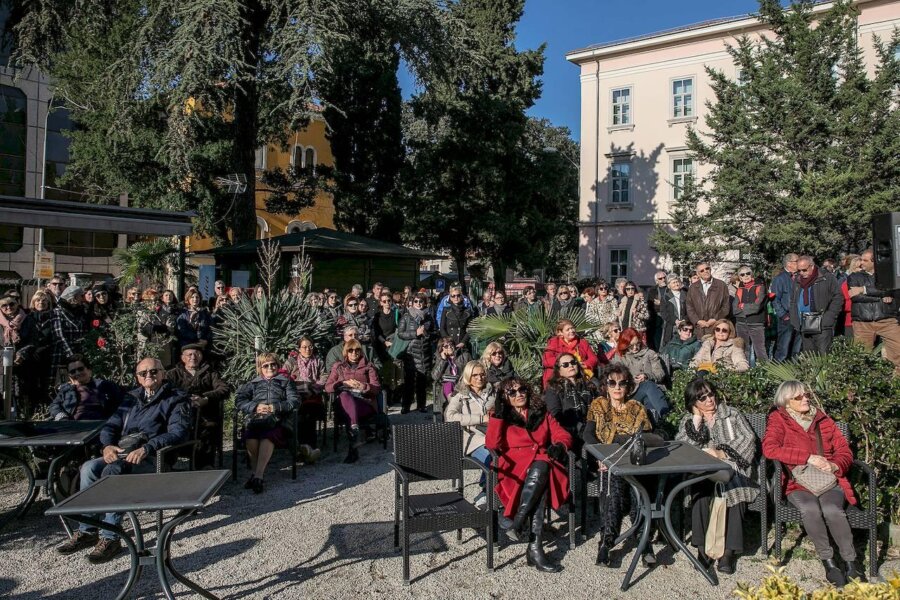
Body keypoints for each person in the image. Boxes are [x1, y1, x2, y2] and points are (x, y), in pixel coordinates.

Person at [56, 358, 190, 562]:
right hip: (124, 451)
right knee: (89, 468)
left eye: (153, 371)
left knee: (114, 471)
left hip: (153, 456)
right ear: (137, 377)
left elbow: (178, 432)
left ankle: (111, 537)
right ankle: (88, 530)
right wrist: (107, 446)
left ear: (163, 373)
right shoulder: (130, 398)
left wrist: (147, 448)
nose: (148, 376)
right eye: (143, 373)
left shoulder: (176, 398)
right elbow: (111, 425)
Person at [762, 380, 863, 587]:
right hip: (798, 482)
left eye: (806, 394)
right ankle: (829, 562)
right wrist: (808, 457)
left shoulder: (822, 419)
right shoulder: (778, 419)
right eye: (798, 397)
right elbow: (770, 449)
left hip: (828, 480)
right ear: (786, 402)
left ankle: (850, 562)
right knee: (810, 509)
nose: (805, 399)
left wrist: (835, 465)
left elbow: (844, 450)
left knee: (832, 510)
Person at [485, 377, 572, 573]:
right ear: (504, 397)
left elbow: (562, 434)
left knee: (541, 468)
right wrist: (498, 416)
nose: (519, 394)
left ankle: (520, 525)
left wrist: (560, 445)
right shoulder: (500, 415)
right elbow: (492, 444)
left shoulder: (541, 412)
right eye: (512, 392)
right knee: (541, 475)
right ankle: (533, 547)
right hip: (514, 468)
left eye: (522, 389)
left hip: (540, 464)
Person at [675, 379, 758, 574]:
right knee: (699, 492)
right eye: (702, 398)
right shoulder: (689, 421)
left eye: (710, 394)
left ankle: (728, 552)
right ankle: (702, 548)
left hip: (733, 468)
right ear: (693, 402)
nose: (709, 400)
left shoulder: (732, 414)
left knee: (735, 492)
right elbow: (682, 447)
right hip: (703, 472)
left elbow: (748, 439)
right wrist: (696, 421)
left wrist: (721, 453)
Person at [582, 364, 654, 567]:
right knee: (613, 490)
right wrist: (602, 456)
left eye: (622, 383)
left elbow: (648, 436)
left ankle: (643, 540)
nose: (617, 387)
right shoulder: (599, 405)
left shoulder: (636, 408)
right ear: (605, 385)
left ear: (628, 386)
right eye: (612, 382)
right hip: (608, 461)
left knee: (637, 493)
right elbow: (588, 433)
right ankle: (606, 541)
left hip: (633, 461)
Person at [236, 353, 300, 492]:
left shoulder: (286, 382)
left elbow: (294, 401)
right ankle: (256, 475)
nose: (270, 368)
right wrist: (255, 407)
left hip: (279, 421)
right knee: (250, 437)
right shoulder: (253, 384)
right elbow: (240, 401)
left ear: (278, 365)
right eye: (265, 365)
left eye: (273, 364)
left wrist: (275, 407)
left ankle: (258, 476)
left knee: (268, 436)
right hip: (257, 420)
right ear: (260, 368)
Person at [166, 344, 230, 468]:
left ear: (201, 356)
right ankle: (168, 465)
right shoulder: (172, 374)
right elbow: (166, 392)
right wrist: (186, 399)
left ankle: (204, 467)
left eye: (196, 354)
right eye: (189, 354)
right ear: (183, 357)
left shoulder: (210, 373)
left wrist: (206, 398)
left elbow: (224, 389)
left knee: (207, 431)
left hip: (204, 416)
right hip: (180, 415)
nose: (193, 357)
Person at [445, 361, 496, 508]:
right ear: (468, 377)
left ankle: (500, 493)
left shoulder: (492, 393)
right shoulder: (460, 396)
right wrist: (480, 419)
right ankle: (485, 491)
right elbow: (450, 416)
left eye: (482, 374)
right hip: (473, 439)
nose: (479, 378)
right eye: (475, 375)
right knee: (492, 458)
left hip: (493, 436)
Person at [325, 340, 381, 463]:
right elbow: (328, 387)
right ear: (346, 352)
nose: (354, 353)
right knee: (345, 395)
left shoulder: (368, 367)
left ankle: (353, 443)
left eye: (357, 350)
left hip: (363, 402)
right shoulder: (338, 367)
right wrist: (342, 383)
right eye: (351, 350)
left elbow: (377, 388)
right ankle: (354, 429)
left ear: (361, 351)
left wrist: (363, 386)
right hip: (344, 404)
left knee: (350, 411)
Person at [847, 248, 900, 374]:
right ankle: (864, 382)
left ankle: (896, 381)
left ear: (874, 261)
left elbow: (893, 291)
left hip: (887, 320)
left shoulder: (889, 275)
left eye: (865, 260)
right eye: (861, 260)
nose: (861, 263)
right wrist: (882, 296)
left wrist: (863, 289)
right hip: (862, 322)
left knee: (897, 352)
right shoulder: (854, 277)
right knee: (861, 357)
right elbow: (855, 296)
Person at [610, 328, 669, 424]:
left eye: (637, 344)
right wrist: (631, 380)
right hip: (631, 393)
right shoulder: (620, 357)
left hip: (651, 391)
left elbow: (660, 374)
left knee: (648, 395)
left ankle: (655, 425)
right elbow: (616, 378)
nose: (635, 348)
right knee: (648, 386)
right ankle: (667, 417)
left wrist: (647, 376)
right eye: (631, 346)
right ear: (625, 345)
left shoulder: (649, 354)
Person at [543, 353, 600, 449]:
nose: (570, 366)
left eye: (573, 362)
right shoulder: (554, 388)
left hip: (592, 429)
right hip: (571, 432)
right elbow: (555, 415)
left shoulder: (590, 386)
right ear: (559, 371)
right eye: (565, 365)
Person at [282, 337, 327, 457]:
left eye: (310, 346)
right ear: (299, 349)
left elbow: (324, 376)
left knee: (309, 413)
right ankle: (301, 447)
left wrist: (313, 388)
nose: (308, 349)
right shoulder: (291, 362)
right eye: (304, 347)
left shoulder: (318, 361)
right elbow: (283, 376)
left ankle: (310, 447)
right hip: (295, 396)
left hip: (313, 396)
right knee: (298, 414)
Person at [790, 256, 844, 355]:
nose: (801, 273)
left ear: (811, 266)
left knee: (823, 356)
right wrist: (794, 320)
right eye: (799, 270)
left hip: (822, 322)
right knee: (809, 356)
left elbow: (838, 297)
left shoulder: (826, 277)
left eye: (804, 270)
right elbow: (793, 300)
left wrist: (829, 317)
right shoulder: (797, 281)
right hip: (804, 322)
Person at [50, 355, 122, 421]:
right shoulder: (65, 390)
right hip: (73, 426)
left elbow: (122, 402)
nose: (77, 373)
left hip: (101, 425)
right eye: (73, 371)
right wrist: (62, 418)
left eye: (80, 369)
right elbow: (54, 406)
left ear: (89, 370)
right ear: (69, 376)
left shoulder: (105, 385)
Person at [397, 293, 435, 413]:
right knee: (409, 381)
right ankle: (406, 405)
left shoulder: (428, 317)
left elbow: (435, 333)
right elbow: (400, 333)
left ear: (425, 303)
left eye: (421, 301)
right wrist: (415, 333)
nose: (418, 304)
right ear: (412, 303)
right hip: (411, 352)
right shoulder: (407, 316)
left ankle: (421, 405)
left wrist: (426, 334)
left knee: (421, 381)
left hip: (424, 352)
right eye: (416, 301)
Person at [18, 291, 56, 412]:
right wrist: (33, 349)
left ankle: (46, 410)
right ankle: (31, 410)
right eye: (38, 300)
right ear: (33, 302)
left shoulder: (53, 317)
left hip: (48, 355)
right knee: (31, 384)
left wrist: (44, 347)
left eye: (44, 300)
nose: (41, 302)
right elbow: (24, 337)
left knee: (46, 384)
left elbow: (56, 336)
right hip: (30, 355)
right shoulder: (27, 318)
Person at [542, 319, 599, 388]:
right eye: (568, 330)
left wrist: (585, 364)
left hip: (582, 374)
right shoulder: (553, 342)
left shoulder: (582, 342)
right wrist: (564, 364)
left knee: (597, 385)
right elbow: (547, 360)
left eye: (572, 328)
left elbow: (594, 358)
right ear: (560, 332)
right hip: (559, 377)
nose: (571, 331)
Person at [686, 262, 731, 338]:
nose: (705, 271)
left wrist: (715, 319)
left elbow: (726, 306)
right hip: (699, 328)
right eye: (702, 270)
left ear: (710, 269)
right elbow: (689, 307)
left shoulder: (721, 285)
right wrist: (697, 321)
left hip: (717, 327)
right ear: (698, 274)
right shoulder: (693, 288)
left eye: (707, 268)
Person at [733, 266, 768, 362]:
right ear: (740, 278)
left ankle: (764, 370)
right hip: (741, 323)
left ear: (751, 274)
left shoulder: (760, 287)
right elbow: (735, 309)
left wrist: (742, 306)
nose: (746, 276)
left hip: (756, 323)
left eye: (748, 273)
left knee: (760, 350)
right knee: (743, 350)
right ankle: (744, 369)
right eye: (742, 274)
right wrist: (747, 308)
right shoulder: (739, 289)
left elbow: (757, 307)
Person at [51, 286, 86, 379]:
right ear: (73, 297)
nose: (83, 299)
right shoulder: (58, 311)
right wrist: (72, 355)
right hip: (63, 353)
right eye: (81, 296)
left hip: (79, 353)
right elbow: (59, 335)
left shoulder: (80, 311)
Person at [137, 288, 177, 368]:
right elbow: (147, 329)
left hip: (162, 346)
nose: (154, 303)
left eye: (155, 300)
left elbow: (170, 328)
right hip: (146, 346)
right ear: (145, 301)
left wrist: (163, 328)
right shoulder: (141, 312)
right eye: (150, 301)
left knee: (163, 368)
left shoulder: (163, 312)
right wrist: (163, 327)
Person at [771, 253, 801, 361]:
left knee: (796, 349)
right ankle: (778, 369)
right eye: (797, 261)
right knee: (783, 348)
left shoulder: (800, 277)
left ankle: (794, 369)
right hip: (786, 318)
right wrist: (783, 315)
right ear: (789, 263)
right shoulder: (779, 279)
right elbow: (775, 299)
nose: (799, 263)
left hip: (799, 317)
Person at [432, 336, 471, 402]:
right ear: (442, 349)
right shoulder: (439, 358)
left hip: (461, 383)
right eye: (446, 346)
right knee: (449, 384)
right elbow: (435, 377)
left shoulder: (465, 356)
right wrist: (443, 360)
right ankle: (453, 402)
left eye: (451, 344)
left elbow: (471, 370)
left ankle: (454, 403)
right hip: (447, 385)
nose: (449, 347)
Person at [440, 286, 474, 351]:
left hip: (462, 345)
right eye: (453, 296)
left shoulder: (467, 311)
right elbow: (442, 328)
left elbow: (471, 329)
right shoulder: (446, 310)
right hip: (448, 344)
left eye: (458, 295)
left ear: (461, 296)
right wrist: (447, 341)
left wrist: (463, 342)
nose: (456, 297)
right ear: (450, 298)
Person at [660, 275, 688, 349]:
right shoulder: (665, 297)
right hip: (671, 327)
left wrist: (684, 319)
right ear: (669, 285)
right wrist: (675, 320)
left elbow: (690, 309)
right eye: (674, 282)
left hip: (685, 324)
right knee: (672, 347)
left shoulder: (686, 295)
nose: (676, 284)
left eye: (677, 282)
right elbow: (664, 312)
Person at [838, 254, 862, 337]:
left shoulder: (871, 282)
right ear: (853, 268)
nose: (862, 269)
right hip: (851, 322)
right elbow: (844, 305)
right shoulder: (845, 284)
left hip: (869, 323)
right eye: (859, 267)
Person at [646, 270, 670, 350]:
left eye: (664, 277)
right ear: (656, 281)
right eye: (660, 278)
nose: (663, 280)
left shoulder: (670, 288)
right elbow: (650, 304)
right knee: (657, 337)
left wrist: (661, 303)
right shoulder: (652, 290)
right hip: (657, 316)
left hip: (669, 315)